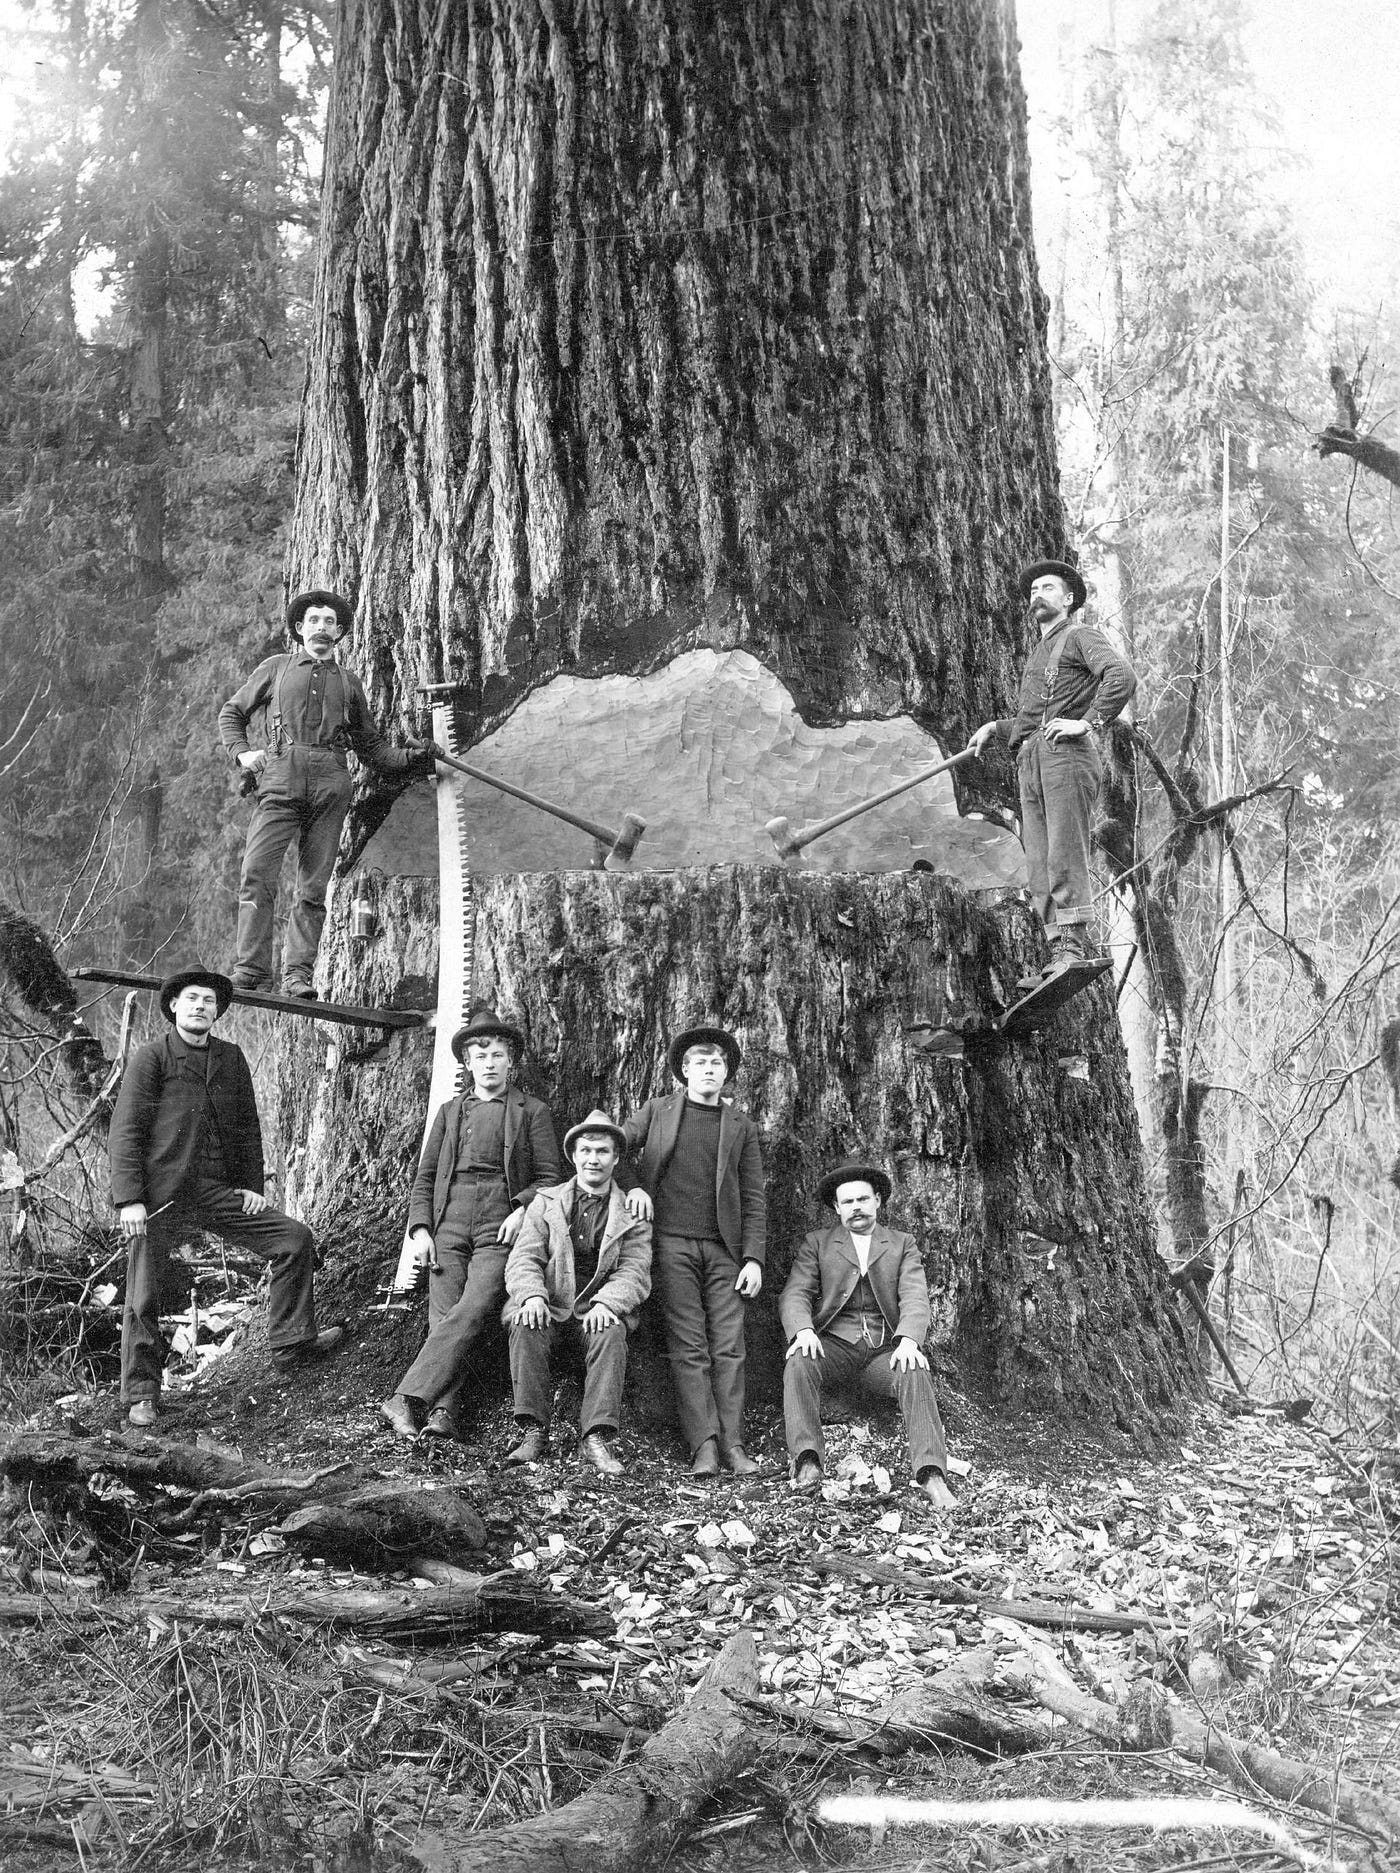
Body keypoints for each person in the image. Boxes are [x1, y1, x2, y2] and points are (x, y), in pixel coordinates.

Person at [108, 965, 340, 1428]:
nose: (200, 1006)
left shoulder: (230, 1057)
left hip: (215, 1190)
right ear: (174, 1006)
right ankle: (141, 1394)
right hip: (159, 1196)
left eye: (208, 1001)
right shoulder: (152, 1058)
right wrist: (129, 1198)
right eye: (191, 998)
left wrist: (251, 1186)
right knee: (144, 1292)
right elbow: (126, 1131)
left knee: (292, 1239)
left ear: (217, 1011)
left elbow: (246, 1127)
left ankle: (292, 1342)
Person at [218, 588, 435, 998]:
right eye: (314, 621)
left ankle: (297, 975)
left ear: (340, 634)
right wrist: (243, 754)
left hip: (331, 783)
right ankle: (250, 971)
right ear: (300, 629)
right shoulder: (276, 668)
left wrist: (416, 759)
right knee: (256, 873)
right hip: (280, 776)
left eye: (330, 623)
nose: (322, 628)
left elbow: (374, 750)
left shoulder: (350, 685)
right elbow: (232, 712)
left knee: (313, 888)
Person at [379, 1007, 562, 1440]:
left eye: (498, 1055)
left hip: (500, 1221)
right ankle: (445, 1413)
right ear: (467, 1063)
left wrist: (522, 1209)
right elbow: (425, 1177)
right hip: (449, 1219)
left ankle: (405, 1398)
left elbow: (550, 1178)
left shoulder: (530, 1110)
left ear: (510, 1061)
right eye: (480, 1056)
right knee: (443, 1315)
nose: (489, 1063)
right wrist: (421, 1230)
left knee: (475, 1308)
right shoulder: (449, 1111)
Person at [968, 559, 1136, 973]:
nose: (1037, 595)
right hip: (1031, 758)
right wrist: (995, 726)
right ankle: (1057, 948)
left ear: (1069, 598)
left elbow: (1122, 675)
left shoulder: (1080, 636)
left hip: (1067, 757)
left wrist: (1087, 722)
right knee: (1039, 861)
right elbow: (1037, 717)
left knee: (1063, 852)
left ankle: (1072, 944)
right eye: (1033, 591)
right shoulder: (1040, 652)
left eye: (1047, 588)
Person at [621, 1023, 765, 1476]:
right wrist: (633, 1188)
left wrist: (754, 1257)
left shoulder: (741, 1126)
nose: (708, 1068)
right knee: (688, 1345)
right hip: (670, 1244)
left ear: (727, 1073)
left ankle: (734, 1444)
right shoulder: (659, 1110)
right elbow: (613, 1145)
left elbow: (755, 1196)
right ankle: (703, 1443)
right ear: (684, 1070)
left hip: (725, 1249)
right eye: (699, 1061)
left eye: (716, 1061)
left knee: (729, 1345)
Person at [780, 1158, 955, 1508]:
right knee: (798, 1361)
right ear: (836, 1207)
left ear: (877, 1200)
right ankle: (807, 1461)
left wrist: (908, 1339)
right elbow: (795, 1293)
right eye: (847, 1202)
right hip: (835, 1348)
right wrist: (802, 1331)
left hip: (882, 1353)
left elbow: (915, 1294)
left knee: (914, 1368)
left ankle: (932, 1473)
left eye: (863, 1199)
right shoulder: (818, 1243)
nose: (856, 1208)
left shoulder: (902, 1243)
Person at [502, 1110, 653, 1475]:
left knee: (611, 1331)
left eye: (602, 1151)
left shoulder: (632, 1212)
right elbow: (524, 1257)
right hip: (550, 1305)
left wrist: (608, 1302)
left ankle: (596, 1436)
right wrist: (533, 1296)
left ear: (616, 1158)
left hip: (594, 1311)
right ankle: (532, 1429)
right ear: (573, 1156)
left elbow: (636, 1268)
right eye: (585, 1151)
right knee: (525, 1324)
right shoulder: (546, 1201)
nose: (593, 1159)